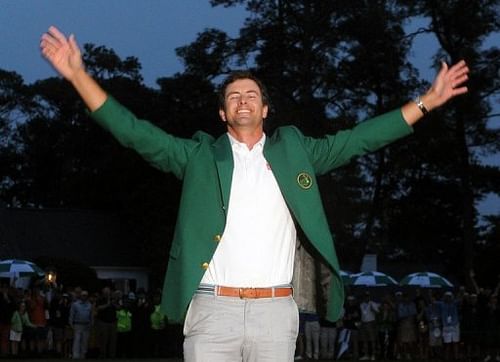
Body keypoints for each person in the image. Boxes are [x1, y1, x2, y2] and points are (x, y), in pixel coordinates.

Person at [40, 25, 469, 362]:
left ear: (265, 109)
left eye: (251, 95)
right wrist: (78, 73)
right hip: (212, 311)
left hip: (274, 311)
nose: (242, 100)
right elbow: (134, 133)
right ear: (223, 112)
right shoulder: (197, 157)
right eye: (233, 96)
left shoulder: (298, 151)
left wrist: (428, 100)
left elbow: (360, 139)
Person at [68, 290, 92, 359]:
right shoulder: (75, 304)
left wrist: (91, 323)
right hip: (77, 324)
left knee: (84, 341)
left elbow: (90, 315)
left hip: (86, 325)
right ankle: (76, 356)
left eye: (86, 295)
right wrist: (71, 324)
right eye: (83, 295)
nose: (84, 297)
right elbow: (71, 315)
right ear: (81, 296)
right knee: (77, 340)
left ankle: (83, 355)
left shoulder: (89, 305)